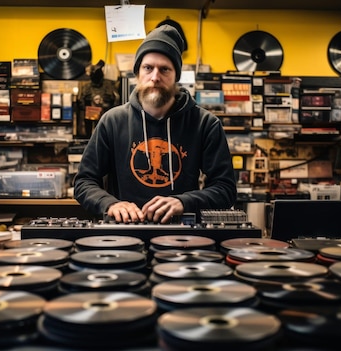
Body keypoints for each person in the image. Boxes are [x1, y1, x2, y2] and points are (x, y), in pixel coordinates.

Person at [73, 25, 237, 224]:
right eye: (148, 68)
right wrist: (110, 204)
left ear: (176, 76)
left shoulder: (205, 124)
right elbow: (84, 181)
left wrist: (183, 202)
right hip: (123, 234)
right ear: (137, 74)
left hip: (182, 238)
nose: (155, 77)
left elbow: (225, 189)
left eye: (165, 69)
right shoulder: (112, 121)